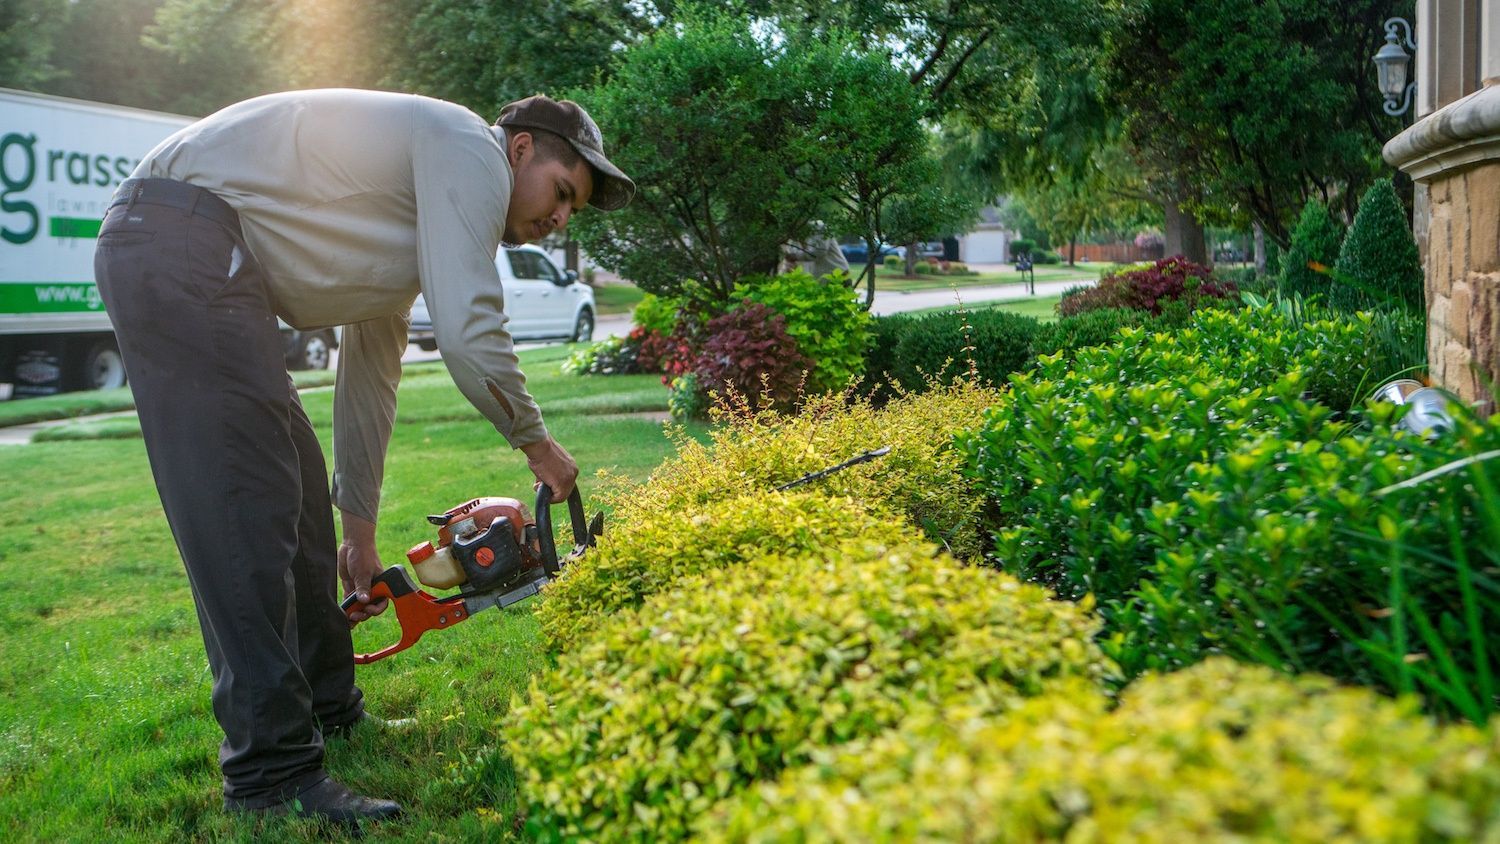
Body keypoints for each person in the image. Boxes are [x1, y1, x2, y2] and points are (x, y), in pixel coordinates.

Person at [92, 89, 634, 824]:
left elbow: (370, 375)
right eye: (563, 192)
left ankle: (330, 709)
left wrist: (360, 533)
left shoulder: (408, 222)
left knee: (304, 494)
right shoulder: (470, 148)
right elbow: (471, 327)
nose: (561, 218)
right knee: (243, 507)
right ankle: (271, 777)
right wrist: (536, 442)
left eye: (573, 210)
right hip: (178, 239)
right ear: (520, 150)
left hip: (205, 257)